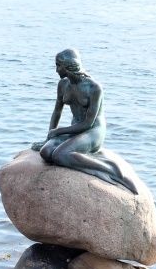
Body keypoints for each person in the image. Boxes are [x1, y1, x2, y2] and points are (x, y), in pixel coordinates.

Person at [31, 48, 137, 193]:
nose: (56, 70)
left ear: (68, 66)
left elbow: (88, 123)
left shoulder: (94, 88)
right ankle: (78, 157)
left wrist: (59, 131)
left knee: (59, 155)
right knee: (46, 152)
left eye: (58, 65)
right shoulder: (63, 85)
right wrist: (49, 136)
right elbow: (57, 111)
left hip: (93, 131)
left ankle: (112, 169)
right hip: (75, 129)